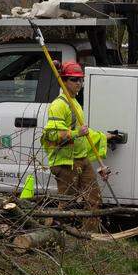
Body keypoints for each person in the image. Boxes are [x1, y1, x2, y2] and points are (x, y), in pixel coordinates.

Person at [41, 60, 110, 233]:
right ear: (63, 81)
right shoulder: (59, 105)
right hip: (65, 163)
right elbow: (51, 135)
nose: (79, 83)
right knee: (67, 203)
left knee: (94, 199)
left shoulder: (75, 103)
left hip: (81, 160)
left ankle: (91, 237)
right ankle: (54, 234)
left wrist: (105, 137)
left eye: (81, 80)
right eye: (74, 80)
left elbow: (82, 133)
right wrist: (75, 134)